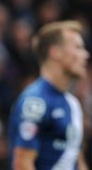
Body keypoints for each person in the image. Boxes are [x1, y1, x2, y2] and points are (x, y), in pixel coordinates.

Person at [8, 20, 89, 170]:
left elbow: (76, 158)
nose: (85, 55)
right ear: (55, 52)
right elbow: (22, 163)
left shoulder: (73, 103)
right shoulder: (36, 101)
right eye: (78, 47)